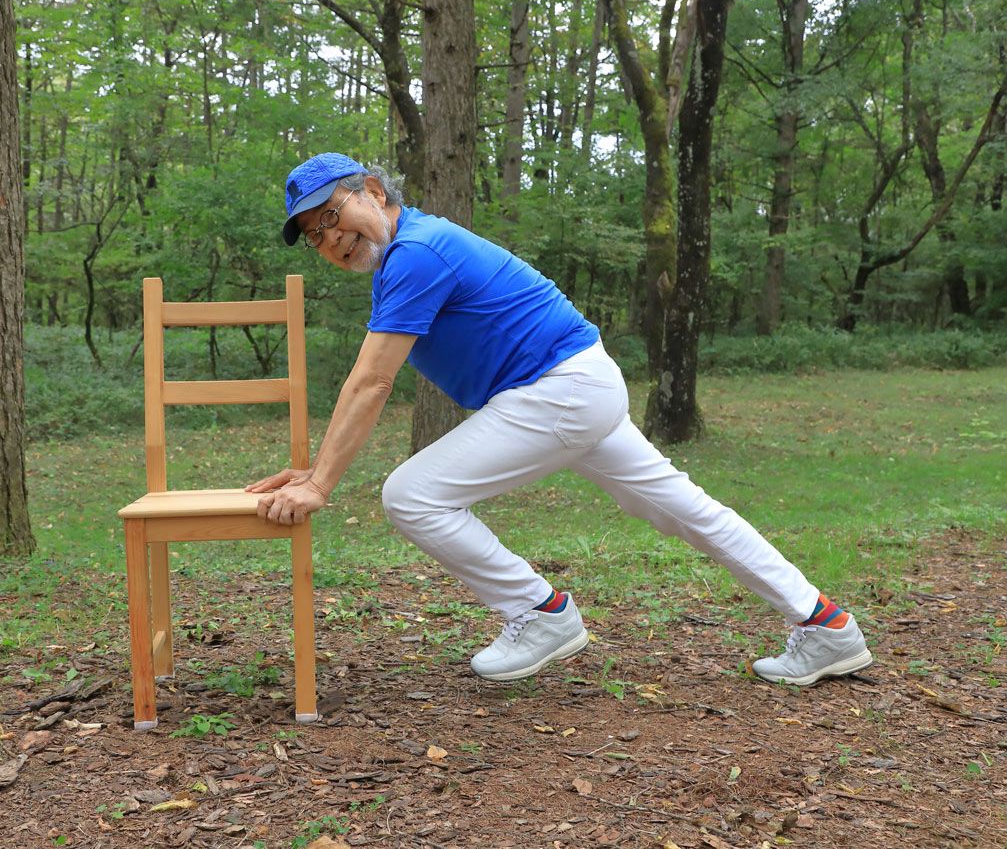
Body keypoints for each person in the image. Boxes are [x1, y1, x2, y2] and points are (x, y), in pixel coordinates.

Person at [247, 152, 873, 686]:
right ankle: (826, 627)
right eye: (314, 235)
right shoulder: (406, 255)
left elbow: (372, 381)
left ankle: (541, 613)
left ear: (374, 192)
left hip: (557, 391)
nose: (330, 238)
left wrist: (319, 483)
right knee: (689, 510)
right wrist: (315, 470)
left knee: (412, 496)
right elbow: (371, 378)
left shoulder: (416, 253)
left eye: (331, 215)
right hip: (576, 385)